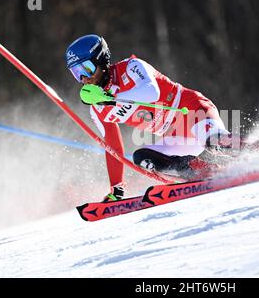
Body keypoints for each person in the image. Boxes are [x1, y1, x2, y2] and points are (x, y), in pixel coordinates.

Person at [65, 34, 236, 202]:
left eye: (86, 68)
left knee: (215, 141)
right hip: (177, 138)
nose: (84, 78)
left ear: (101, 61)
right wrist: (116, 187)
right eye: (76, 72)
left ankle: (257, 150)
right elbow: (113, 146)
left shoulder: (131, 67)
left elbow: (151, 92)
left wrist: (112, 99)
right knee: (142, 158)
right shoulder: (97, 110)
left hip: (194, 112)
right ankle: (209, 172)